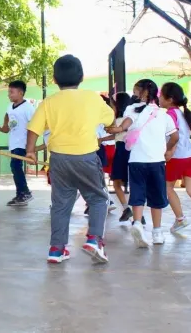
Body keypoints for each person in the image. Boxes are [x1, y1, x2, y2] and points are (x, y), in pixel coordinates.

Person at [26, 55, 114, 264]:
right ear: (82, 77)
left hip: (59, 160)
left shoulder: (49, 102)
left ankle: (56, 249)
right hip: (86, 157)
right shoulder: (92, 98)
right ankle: (94, 239)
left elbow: (33, 128)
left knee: (61, 204)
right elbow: (110, 119)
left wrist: (30, 151)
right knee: (98, 198)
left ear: (55, 79)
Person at [106, 79, 179, 248]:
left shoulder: (131, 109)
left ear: (141, 92)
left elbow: (125, 126)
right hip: (156, 161)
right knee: (156, 197)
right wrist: (167, 150)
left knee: (137, 194)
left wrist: (116, 129)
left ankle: (138, 223)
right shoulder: (163, 113)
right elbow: (175, 137)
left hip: (136, 160)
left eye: (135, 90)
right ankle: (157, 233)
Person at [160, 82, 191, 236]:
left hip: (176, 158)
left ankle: (180, 219)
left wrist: (169, 151)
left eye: (161, 96)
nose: (159, 99)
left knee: (168, 188)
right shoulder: (183, 113)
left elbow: (173, 137)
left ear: (169, 99)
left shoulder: (170, 114)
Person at [0, 81, 35, 206]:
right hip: (13, 142)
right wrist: (3, 127)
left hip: (22, 143)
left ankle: (25, 192)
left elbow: (33, 127)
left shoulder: (28, 108)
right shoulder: (10, 106)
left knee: (15, 166)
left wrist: (31, 148)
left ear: (21, 93)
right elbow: (8, 117)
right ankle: (21, 194)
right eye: (9, 92)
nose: (9, 95)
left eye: (11, 92)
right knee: (15, 167)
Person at [108, 93, 134, 222]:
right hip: (133, 152)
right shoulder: (132, 119)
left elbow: (113, 132)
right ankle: (138, 212)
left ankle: (126, 208)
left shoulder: (117, 121)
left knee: (116, 183)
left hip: (121, 151)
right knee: (134, 183)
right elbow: (116, 134)